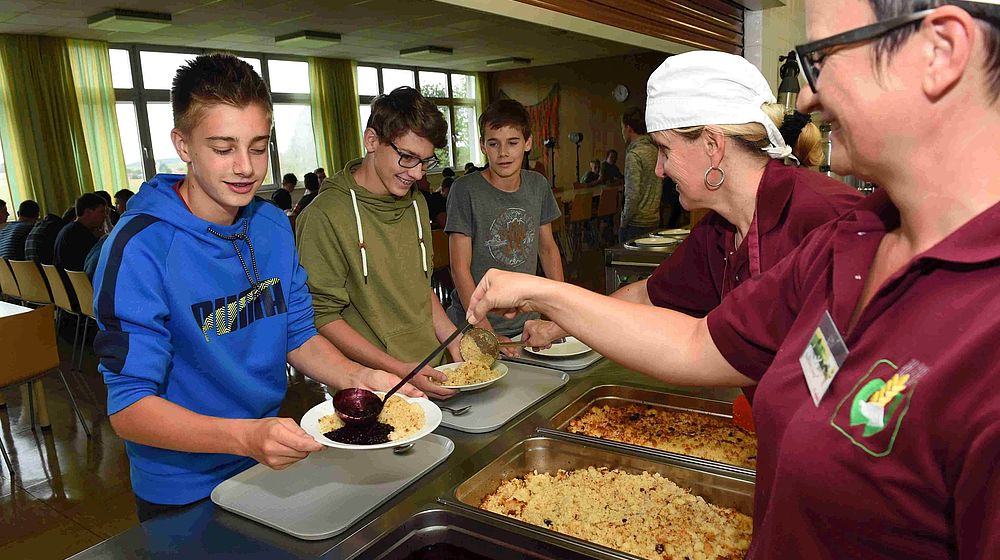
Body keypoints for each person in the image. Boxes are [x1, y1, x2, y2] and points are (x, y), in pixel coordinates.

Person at [469, 2, 1000, 556]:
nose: (810, 98)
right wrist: (542, 293)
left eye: (821, 59)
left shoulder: (968, 317)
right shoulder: (851, 241)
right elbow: (695, 342)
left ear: (941, 52)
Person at [92, 54, 420, 522]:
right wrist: (245, 436)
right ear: (182, 145)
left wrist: (358, 377)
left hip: (269, 459)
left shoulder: (271, 225)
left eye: (259, 146)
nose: (246, 168)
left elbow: (297, 333)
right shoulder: (140, 248)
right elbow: (129, 409)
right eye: (223, 148)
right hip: (183, 484)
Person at [526, 51, 860, 347]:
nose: (659, 169)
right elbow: (646, 294)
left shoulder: (828, 218)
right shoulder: (719, 230)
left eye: (664, 150)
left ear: (713, 145)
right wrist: (559, 325)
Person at [296, 86, 459, 400]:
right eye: (408, 157)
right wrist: (399, 368)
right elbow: (323, 316)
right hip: (370, 387)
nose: (417, 173)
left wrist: (454, 343)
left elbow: (420, 288)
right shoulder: (324, 216)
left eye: (426, 161)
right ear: (372, 141)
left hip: (430, 370)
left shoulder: (417, 203)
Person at [446, 99, 564, 346]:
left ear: (528, 143)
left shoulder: (538, 185)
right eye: (493, 143)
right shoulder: (464, 190)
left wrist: (560, 313)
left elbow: (548, 249)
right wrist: (486, 332)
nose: (503, 153)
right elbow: (459, 267)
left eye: (512, 143)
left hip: (527, 324)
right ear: (482, 146)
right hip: (474, 323)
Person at [619, 106, 663, 242]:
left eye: (622, 128)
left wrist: (623, 221)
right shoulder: (655, 150)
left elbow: (632, 194)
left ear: (628, 128)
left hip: (636, 223)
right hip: (654, 219)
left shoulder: (634, 155)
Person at [55, 193, 106, 271]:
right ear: (88, 212)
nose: (105, 215)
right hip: (80, 281)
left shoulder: (68, 229)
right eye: (101, 212)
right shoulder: (81, 235)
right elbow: (95, 264)